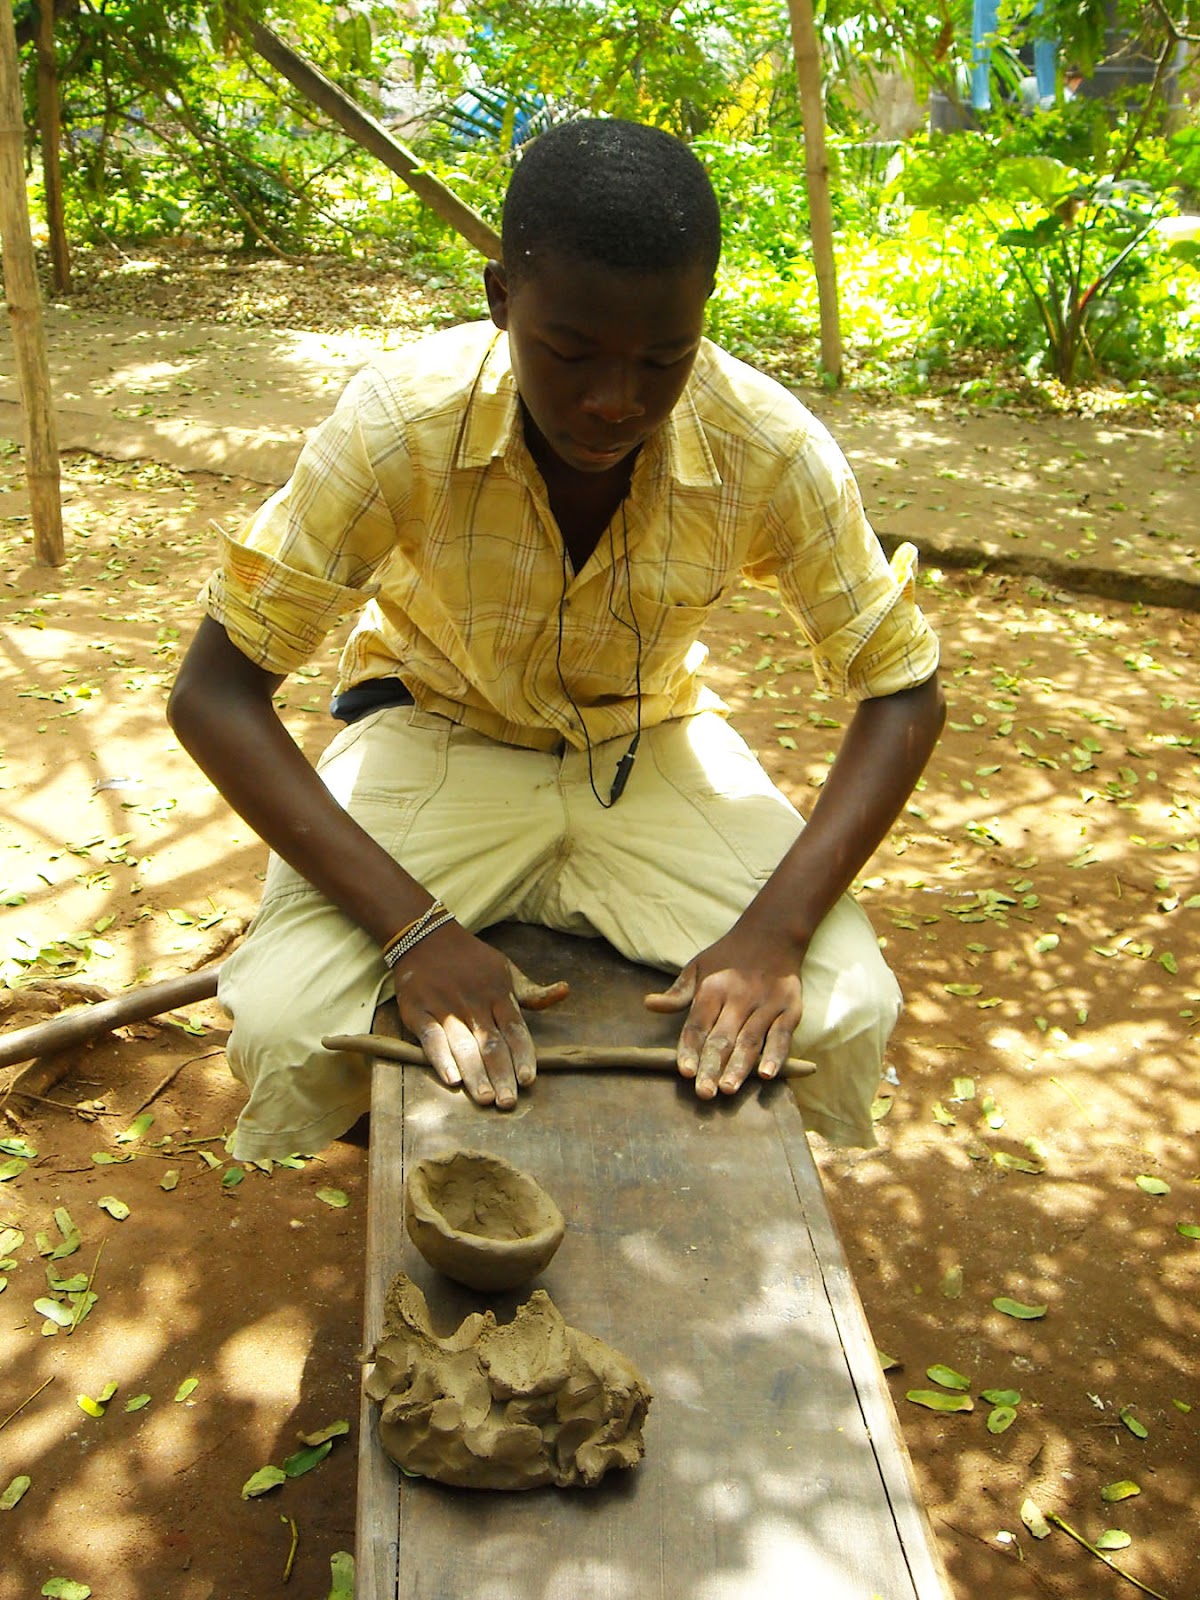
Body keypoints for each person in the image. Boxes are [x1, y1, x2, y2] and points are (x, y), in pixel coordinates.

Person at [168, 118, 944, 1164]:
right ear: (501, 302)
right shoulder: (401, 420)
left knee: (846, 1007)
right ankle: (425, 1159)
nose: (614, 400)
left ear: (702, 321)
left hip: (651, 743)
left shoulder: (769, 444)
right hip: (436, 729)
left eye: (662, 359)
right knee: (288, 1025)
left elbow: (904, 690)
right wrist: (413, 931)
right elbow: (212, 694)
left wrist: (775, 935)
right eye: (569, 352)